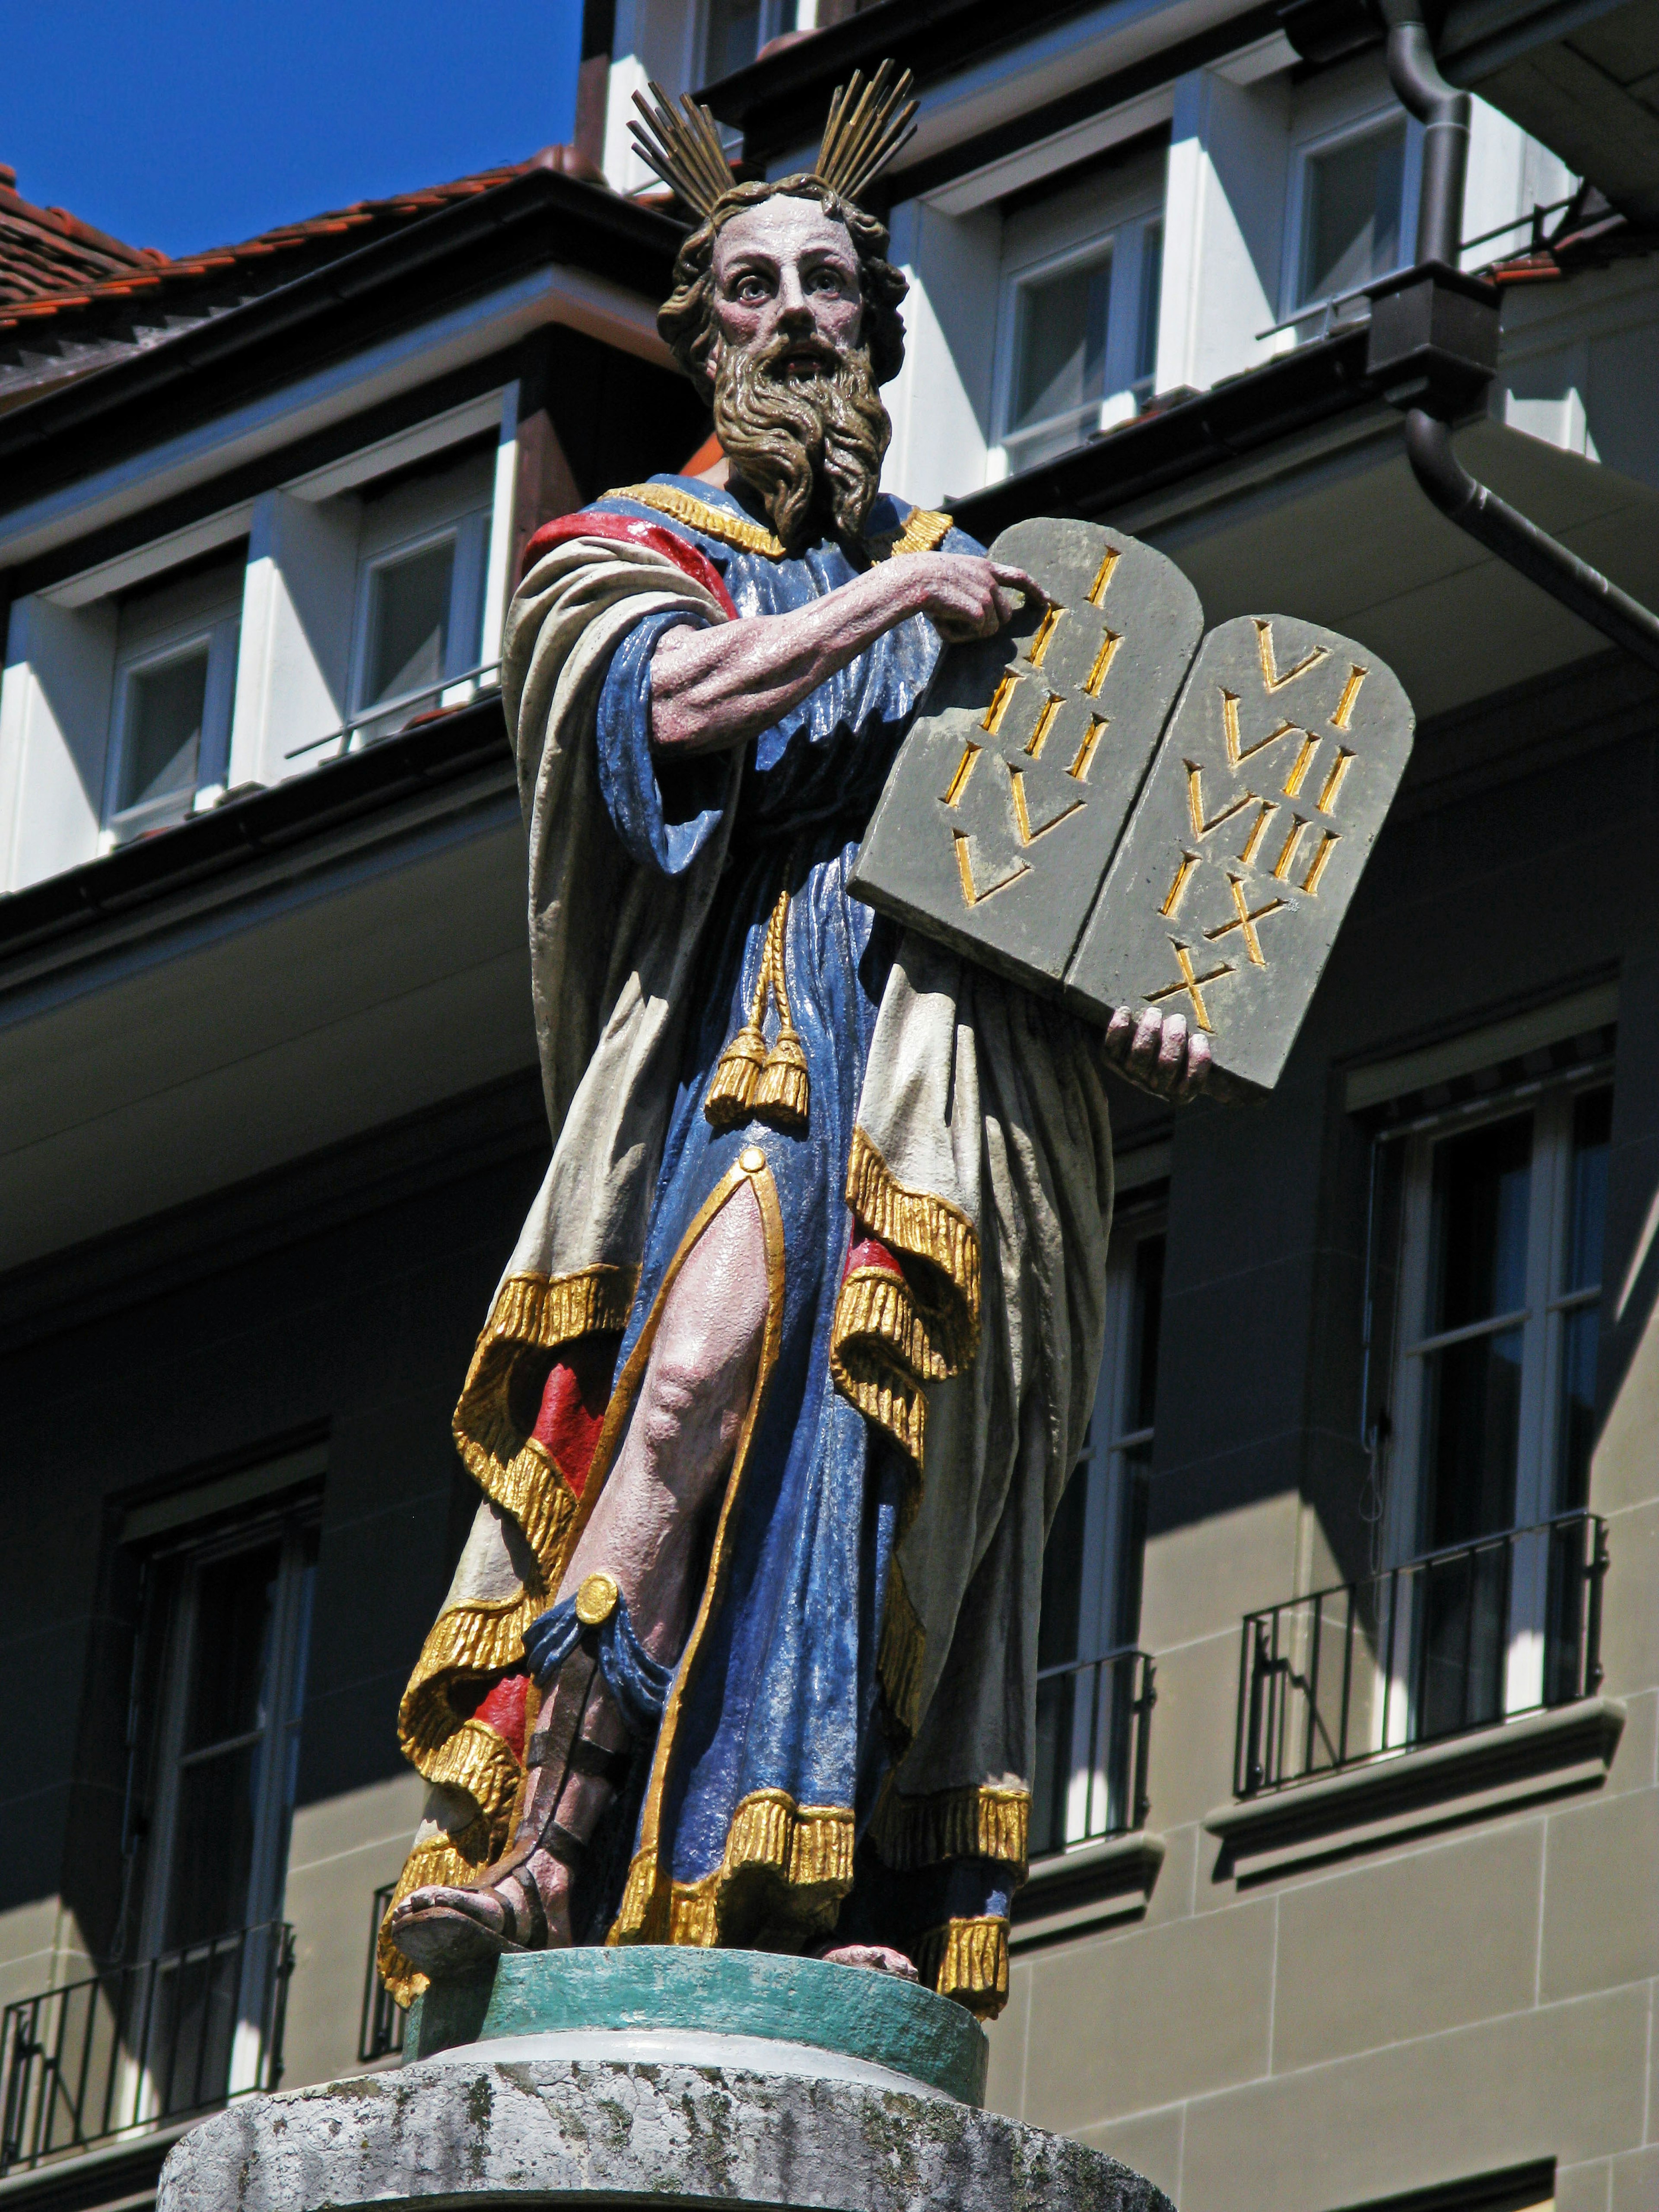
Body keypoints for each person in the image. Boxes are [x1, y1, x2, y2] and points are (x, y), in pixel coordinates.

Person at [382, 65, 1206, 2017]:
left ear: (877, 327)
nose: (795, 320)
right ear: (705, 332)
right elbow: (665, 711)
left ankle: (829, 1871)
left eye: (830, 286)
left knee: (880, 1462)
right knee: (680, 1398)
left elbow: (1045, 861)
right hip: (738, 1032)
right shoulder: (626, 548)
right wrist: (897, 601)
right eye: (753, 288)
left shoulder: (968, 594)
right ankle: (552, 1849)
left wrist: (1138, 1002)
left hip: (928, 1054)